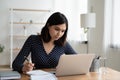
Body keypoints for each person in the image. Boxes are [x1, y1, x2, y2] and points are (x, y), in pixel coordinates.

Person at [12, 12, 77, 73]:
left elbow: (78, 60)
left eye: (63, 31)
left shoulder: (63, 44)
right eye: (57, 29)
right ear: (48, 26)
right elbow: (15, 64)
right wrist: (23, 68)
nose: (59, 34)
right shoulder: (33, 40)